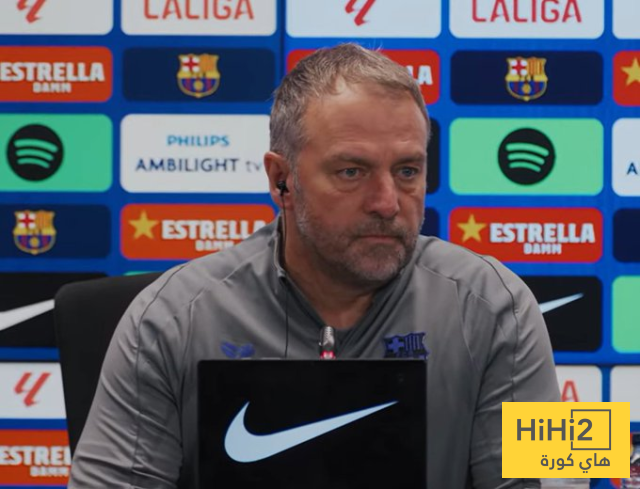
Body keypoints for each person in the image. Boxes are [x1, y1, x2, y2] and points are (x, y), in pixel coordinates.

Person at [69, 43, 560, 488]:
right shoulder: (169, 318)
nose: (387, 202)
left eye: (407, 170)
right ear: (281, 179)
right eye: (352, 171)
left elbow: (552, 479)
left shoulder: (501, 306)